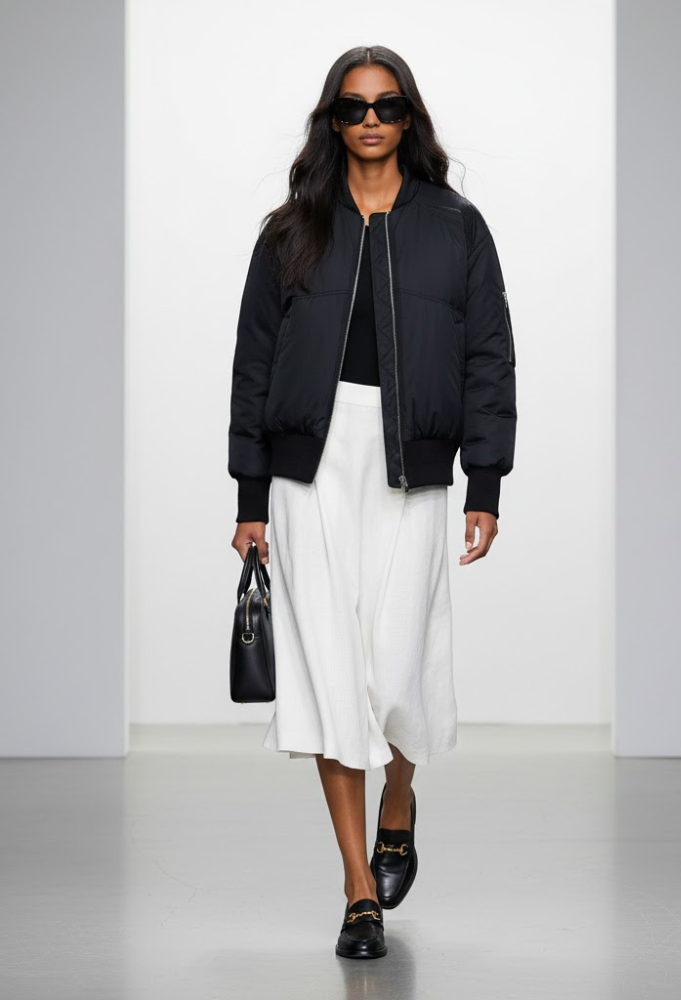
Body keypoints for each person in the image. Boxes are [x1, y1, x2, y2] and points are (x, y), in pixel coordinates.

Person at [228, 45, 517, 959]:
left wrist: (485, 480)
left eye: (387, 106)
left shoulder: (456, 226)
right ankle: (359, 891)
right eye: (353, 108)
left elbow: (489, 355)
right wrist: (249, 496)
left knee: (396, 673)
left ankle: (400, 796)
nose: (370, 121)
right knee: (327, 673)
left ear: (408, 118)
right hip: (307, 466)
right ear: (332, 120)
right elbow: (253, 363)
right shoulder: (291, 230)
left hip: (410, 462)